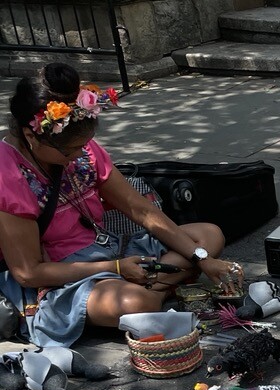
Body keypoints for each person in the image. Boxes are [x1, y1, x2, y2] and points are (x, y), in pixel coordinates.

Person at [0, 63, 238, 347]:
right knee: (135, 301)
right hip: (63, 276)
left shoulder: (81, 149)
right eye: (69, 150)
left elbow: (140, 209)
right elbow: (28, 274)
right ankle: (152, 290)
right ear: (30, 136)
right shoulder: (8, 175)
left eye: (83, 145)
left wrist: (202, 258)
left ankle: (150, 287)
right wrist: (114, 268)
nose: (79, 155)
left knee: (208, 235)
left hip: (113, 250)